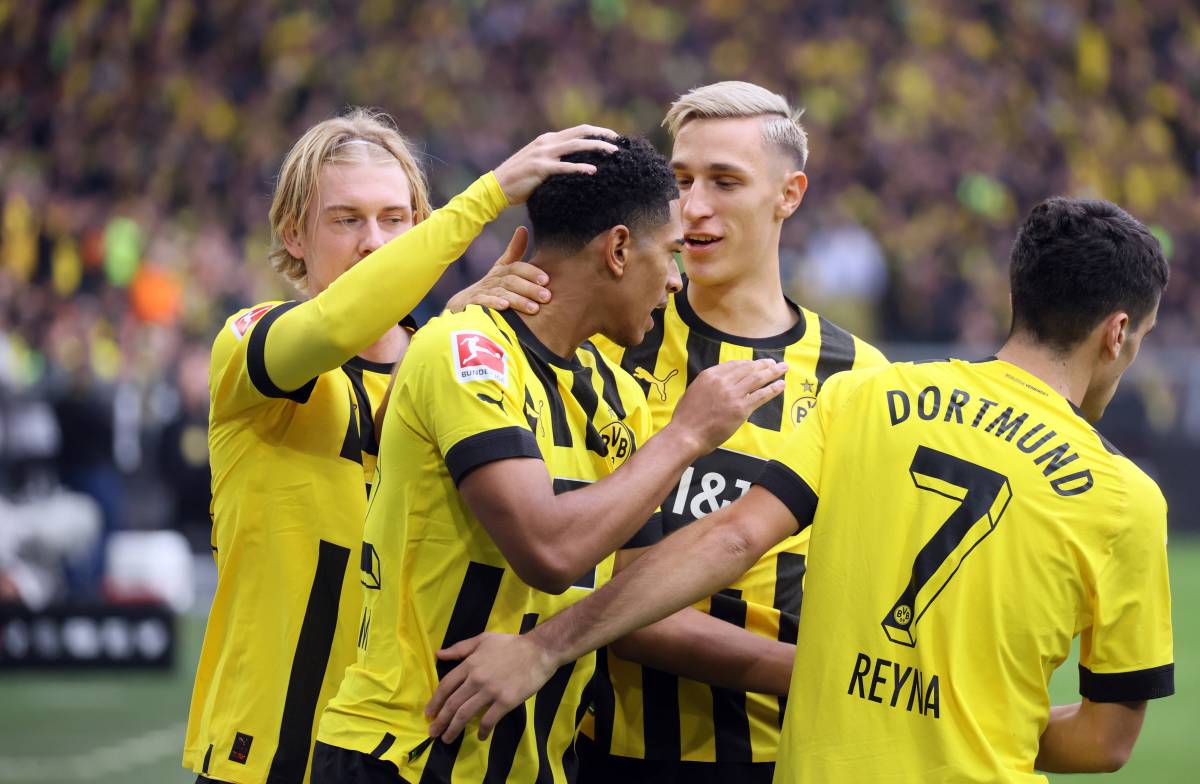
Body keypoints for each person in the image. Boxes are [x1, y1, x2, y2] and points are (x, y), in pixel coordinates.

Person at [426, 197, 1175, 783]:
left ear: (1019, 293)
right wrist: (956, 715)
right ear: (1116, 332)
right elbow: (1105, 740)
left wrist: (545, 647)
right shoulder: (1124, 498)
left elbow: (732, 537)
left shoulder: (867, 396)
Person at [311, 135, 788, 784]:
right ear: (618, 250)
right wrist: (684, 437)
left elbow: (633, 605)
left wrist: (813, 671)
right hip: (407, 756)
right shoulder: (468, 352)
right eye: (671, 253)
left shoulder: (617, 395)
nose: (676, 280)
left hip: (537, 766)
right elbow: (549, 551)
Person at [183, 108, 620, 784]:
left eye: (394, 220)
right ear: (293, 234)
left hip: (399, 760)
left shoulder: (451, 368)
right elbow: (334, 327)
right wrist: (487, 197)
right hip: (266, 753)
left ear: (419, 228)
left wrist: (453, 325)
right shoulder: (249, 346)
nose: (374, 242)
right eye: (346, 220)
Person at [583, 81, 886, 783]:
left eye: (724, 181)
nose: (693, 207)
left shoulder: (859, 377)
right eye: (682, 180)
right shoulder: (607, 345)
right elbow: (597, 584)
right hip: (611, 753)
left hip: (788, 757)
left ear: (789, 195)